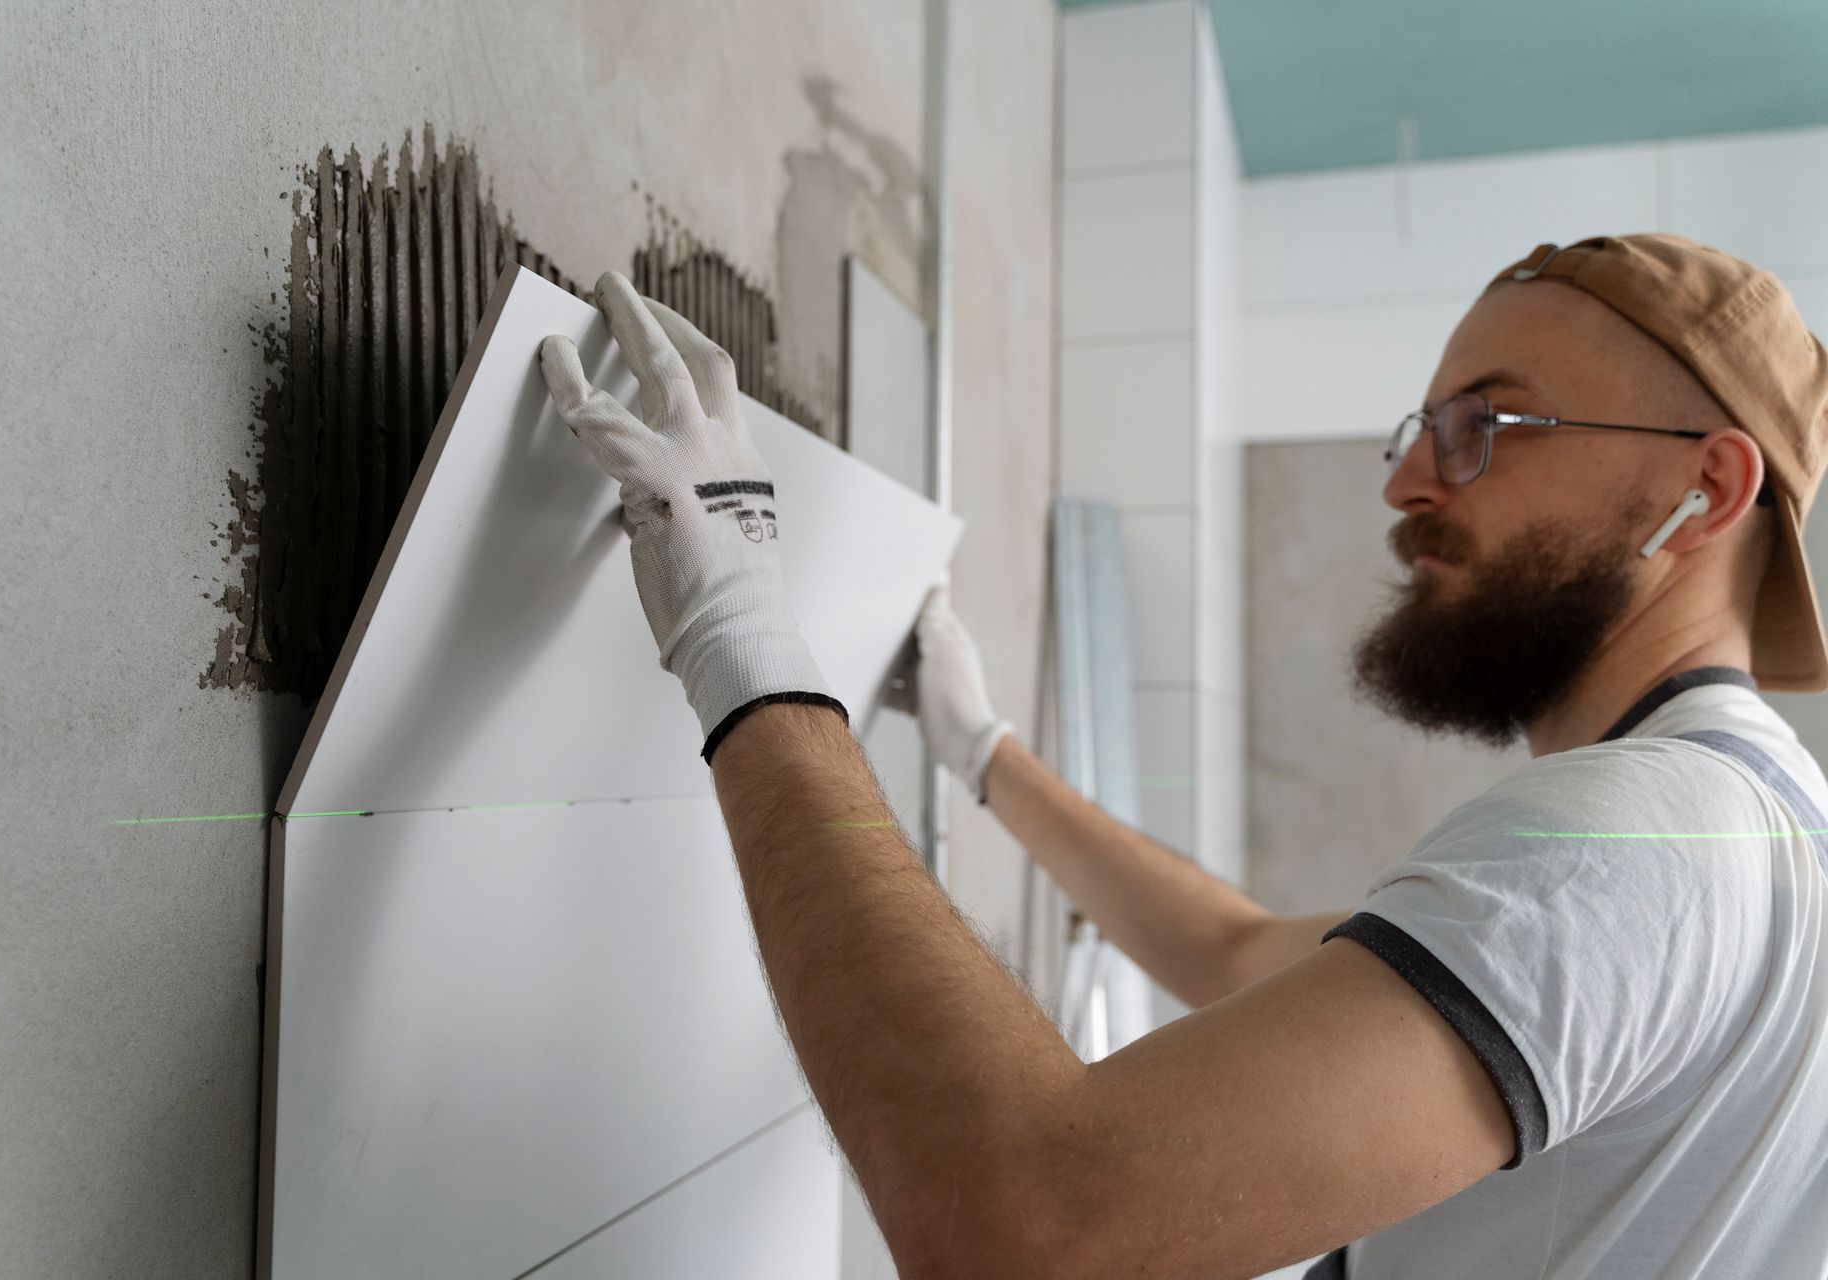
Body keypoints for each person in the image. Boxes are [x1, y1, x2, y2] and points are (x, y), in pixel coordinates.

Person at [538, 233, 1828, 1279]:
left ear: (1705, 492)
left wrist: (743, 643)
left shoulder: (1638, 840)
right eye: (1421, 429)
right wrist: (986, 754)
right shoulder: (1760, 828)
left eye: (1486, 429)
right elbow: (1238, 954)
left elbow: (1030, 1224)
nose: (1407, 486)